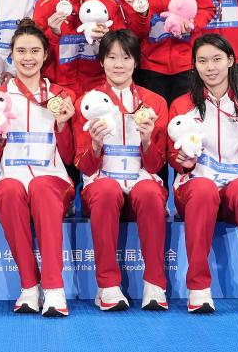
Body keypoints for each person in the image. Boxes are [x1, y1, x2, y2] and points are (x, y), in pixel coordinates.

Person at [169, 35, 238, 316]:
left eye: (217, 59)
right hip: (195, 189)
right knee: (203, 188)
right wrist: (184, 162)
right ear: (194, 65)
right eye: (202, 61)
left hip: (236, 188)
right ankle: (198, 288)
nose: (210, 67)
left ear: (230, 61)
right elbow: (173, 157)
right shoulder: (182, 105)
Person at [0, 20, 77, 317]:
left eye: (35, 51)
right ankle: (28, 286)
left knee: (41, 186)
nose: (28, 58)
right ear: (11, 54)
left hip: (53, 179)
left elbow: (70, 156)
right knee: (10, 190)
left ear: (46, 54)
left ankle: (54, 288)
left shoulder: (62, 96)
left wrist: (63, 125)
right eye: (21, 51)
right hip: (10, 177)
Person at [73, 30, 169, 311]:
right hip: (101, 183)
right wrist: (95, 145)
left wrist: (148, 140)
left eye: (126, 58)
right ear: (101, 61)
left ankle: (155, 284)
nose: (118, 64)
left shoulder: (154, 102)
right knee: (105, 190)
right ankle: (107, 286)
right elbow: (84, 166)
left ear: (136, 62)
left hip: (141, 180)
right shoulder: (87, 103)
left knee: (151, 193)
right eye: (111, 57)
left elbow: (155, 166)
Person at [32, 0, 122, 93]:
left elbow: (122, 49)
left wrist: (108, 40)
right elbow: (34, 51)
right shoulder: (46, 3)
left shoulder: (109, 4)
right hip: (57, 87)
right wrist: (53, 34)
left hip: (99, 87)